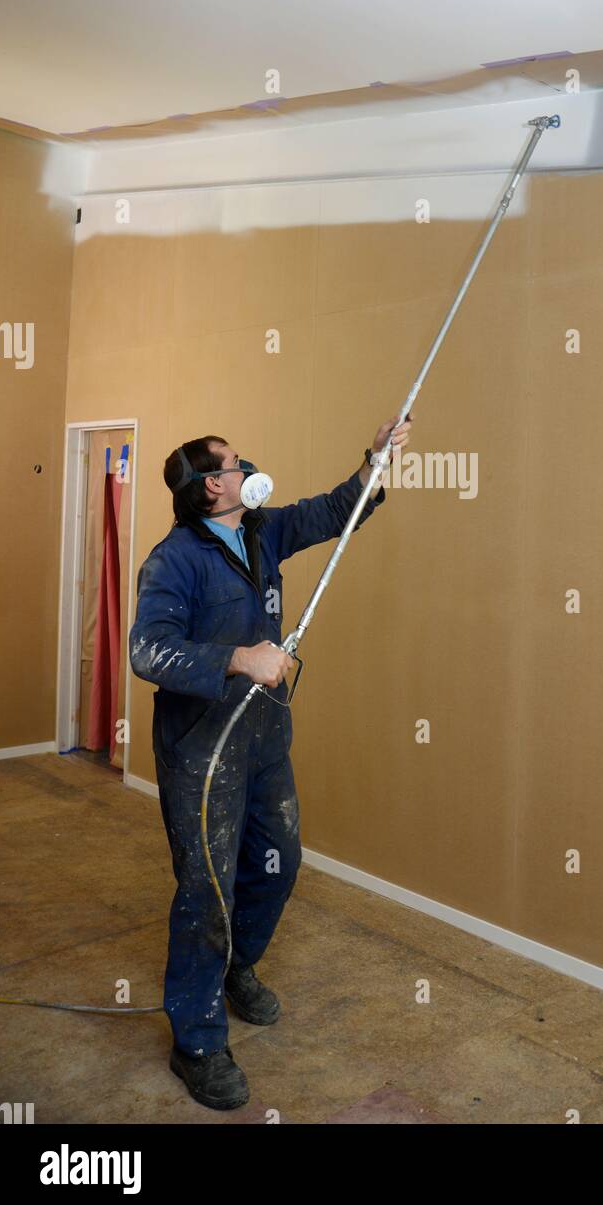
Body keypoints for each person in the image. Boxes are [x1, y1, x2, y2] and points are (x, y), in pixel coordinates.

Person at [129, 415, 413, 1109]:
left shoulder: (261, 533)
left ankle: (238, 967)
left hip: (261, 741)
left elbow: (332, 513)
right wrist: (236, 657)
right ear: (206, 489)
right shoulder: (175, 561)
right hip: (203, 752)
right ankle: (196, 1042)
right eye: (233, 462)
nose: (248, 465)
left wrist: (375, 461)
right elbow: (148, 651)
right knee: (206, 893)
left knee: (277, 862)